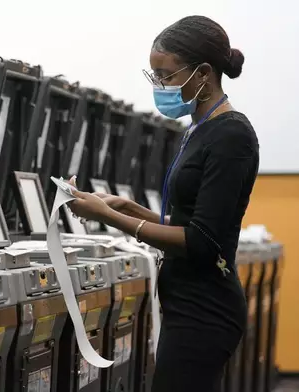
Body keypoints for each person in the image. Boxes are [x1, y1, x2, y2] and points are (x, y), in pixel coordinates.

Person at [67, 15, 257, 392]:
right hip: (186, 303)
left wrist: (109, 218)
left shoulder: (231, 135)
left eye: (167, 76)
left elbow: (204, 241)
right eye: (154, 75)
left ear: (203, 74)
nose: (160, 86)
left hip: (205, 310)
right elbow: (192, 219)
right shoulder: (201, 129)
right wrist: (128, 208)